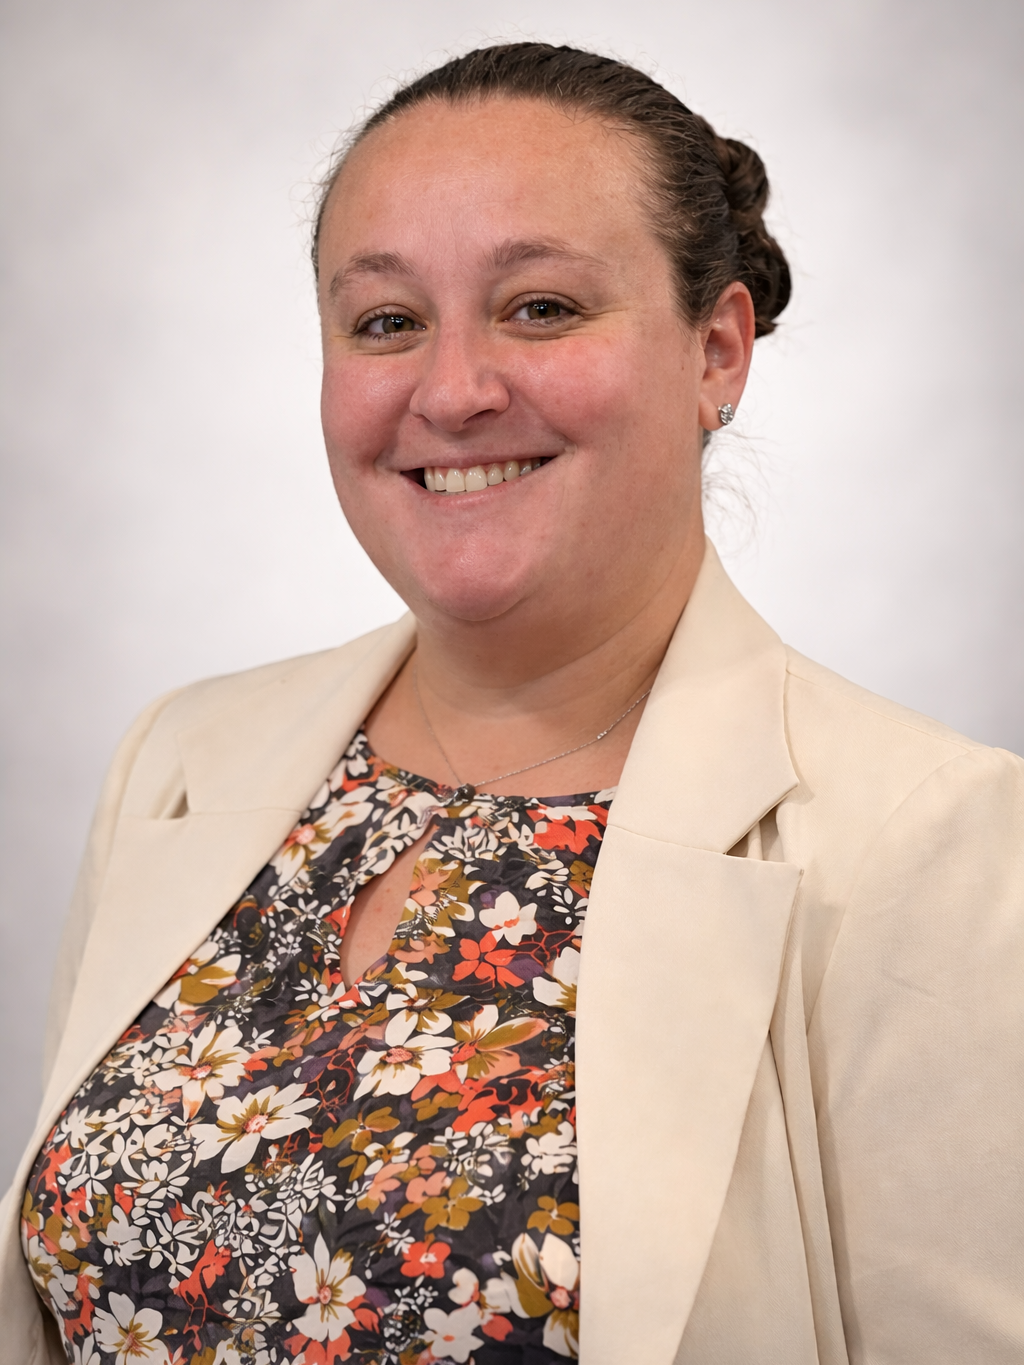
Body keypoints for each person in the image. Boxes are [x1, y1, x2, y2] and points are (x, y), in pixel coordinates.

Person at [2, 41, 1021, 1365]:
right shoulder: (179, 760)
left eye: (540, 306)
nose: (455, 388)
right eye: (386, 321)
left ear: (716, 350)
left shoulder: (939, 848)